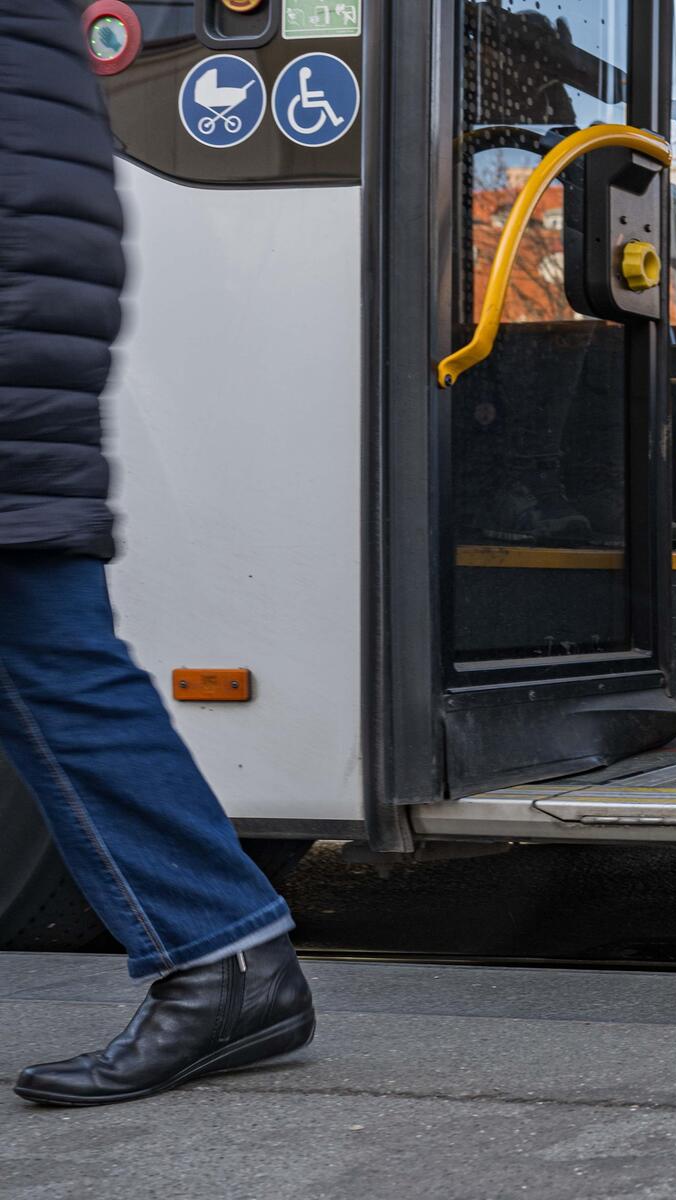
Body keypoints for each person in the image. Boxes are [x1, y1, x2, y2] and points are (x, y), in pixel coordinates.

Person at [2, 0, 314, 1106]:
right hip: (36, 268)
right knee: (46, 644)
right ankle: (226, 953)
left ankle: (226, 956)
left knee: (48, 643)